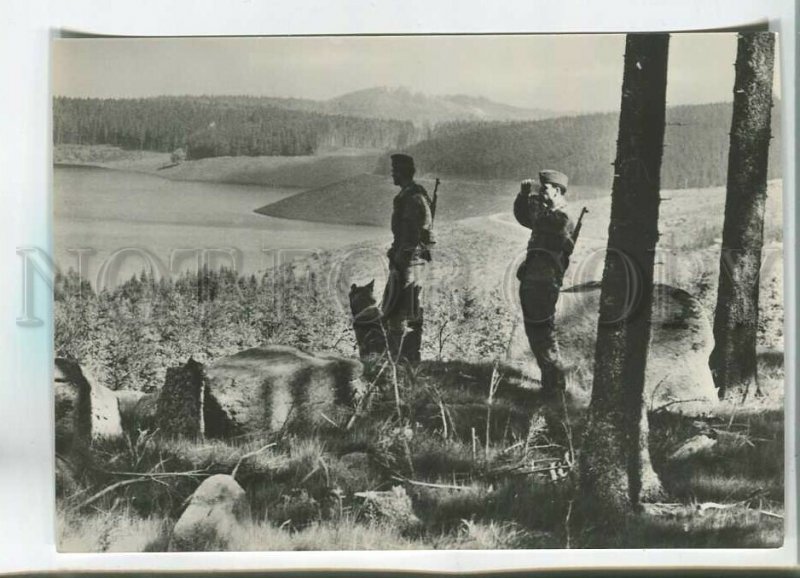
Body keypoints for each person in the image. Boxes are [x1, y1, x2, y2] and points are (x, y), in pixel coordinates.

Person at [514, 169, 575, 401]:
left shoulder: (562, 218)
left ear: (558, 191)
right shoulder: (548, 215)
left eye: (545, 189)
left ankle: (556, 388)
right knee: (535, 332)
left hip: (544, 283)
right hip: (533, 280)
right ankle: (550, 383)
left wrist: (535, 202)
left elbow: (542, 222)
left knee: (543, 334)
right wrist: (523, 197)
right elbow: (524, 218)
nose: (541, 192)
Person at [382, 153, 434, 363]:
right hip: (405, 261)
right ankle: (397, 357)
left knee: (407, 311)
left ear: (402, 172)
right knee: (394, 309)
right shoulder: (408, 195)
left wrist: (401, 256)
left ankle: (408, 358)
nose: (392, 174)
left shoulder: (414, 198)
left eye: (395, 171)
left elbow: (417, 233)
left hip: (411, 263)